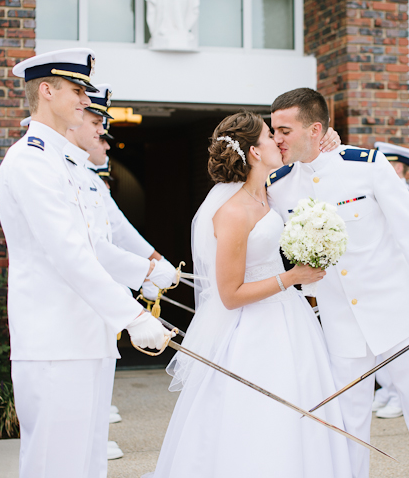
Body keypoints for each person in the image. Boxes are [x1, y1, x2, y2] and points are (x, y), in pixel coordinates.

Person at [0, 48, 172, 478]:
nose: (83, 99)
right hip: (55, 341)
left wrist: (145, 273)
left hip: (87, 336)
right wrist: (132, 314)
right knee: (55, 465)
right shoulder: (31, 162)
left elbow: (93, 247)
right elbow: (66, 253)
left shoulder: (67, 165)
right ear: (46, 90)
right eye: (77, 90)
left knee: (88, 464)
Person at [147, 111, 352, 478]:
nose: (279, 141)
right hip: (254, 330)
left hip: (291, 319)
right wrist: (291, 278)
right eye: (271, 137)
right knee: (262, 419)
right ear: (255, 152)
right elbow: (229, 294)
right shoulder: (233, 211)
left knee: (304, 408)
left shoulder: (270, 194)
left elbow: (314, 174)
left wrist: (328, 142)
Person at [267, 88, 409, 478]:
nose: (277, 139)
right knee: (349, 420)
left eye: (284, 130)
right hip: (339, 320)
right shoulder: (280, 185)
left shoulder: (365, 165)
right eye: (274, 130)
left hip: (398, 311)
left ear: (315, 129)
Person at [366, 142, 409, 420]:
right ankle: (387, 390)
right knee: (381, 342)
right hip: (381, 275)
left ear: (399, 167)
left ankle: (398, 396)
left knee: (397, 343)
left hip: (399, 276)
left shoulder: (404, 195)